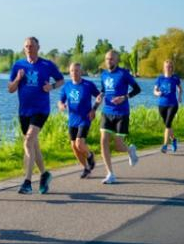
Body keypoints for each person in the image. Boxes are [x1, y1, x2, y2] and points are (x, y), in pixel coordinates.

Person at [7, 37, 64, 194]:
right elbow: (10, 89)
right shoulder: (18, 65)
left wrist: (51, 86)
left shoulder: (47, 65)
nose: (29, 49)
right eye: (26, 46)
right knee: (33, 145)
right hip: (24, 111)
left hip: (41, 109)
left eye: (32, 46)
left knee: (28, 142)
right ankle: (44, 174)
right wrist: (18, 79)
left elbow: (61, 80)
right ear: (23, 48)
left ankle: (27, 182)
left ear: (38, 47)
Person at [98, 50, 142, 185]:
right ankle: (110, 174)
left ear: (117, 60)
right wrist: (100, 96)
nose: (108, 61)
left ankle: (130, 150)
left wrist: (124, 97)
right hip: (107, 111)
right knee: (103, 140)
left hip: (122, 113)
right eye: (107, 59)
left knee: (118, 146)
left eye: (111, 59)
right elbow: (104, 90)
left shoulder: (124, 74)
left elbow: (137, 89)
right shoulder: (103, 74)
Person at [57, 62, 101, 179]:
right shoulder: (66, 86)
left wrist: (94, 109)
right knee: (74, 147)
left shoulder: (88, 85)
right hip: (72, 120)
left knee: (79, 143)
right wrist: (61, 105)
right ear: (69, 72)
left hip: (85, 118)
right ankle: (86, 167)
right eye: (72, 71)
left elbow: (99, 96)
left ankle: (90, 155)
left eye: (76, 70)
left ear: (81, 72)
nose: (74, 73)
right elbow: (60, 101)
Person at [154, 59, 183, 153]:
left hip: (173, 104)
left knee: (167, 124)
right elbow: (154, 91)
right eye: (167, 66)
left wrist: (179, 97)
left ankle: (165, 145)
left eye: (170, 66)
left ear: (172, 68)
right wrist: (158, 93)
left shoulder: (175, 78)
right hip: (162, 104)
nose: (168, 68)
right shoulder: (160, 78)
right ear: (164, 68)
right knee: (168, 125)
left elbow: (180, 89)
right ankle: (174, 140)